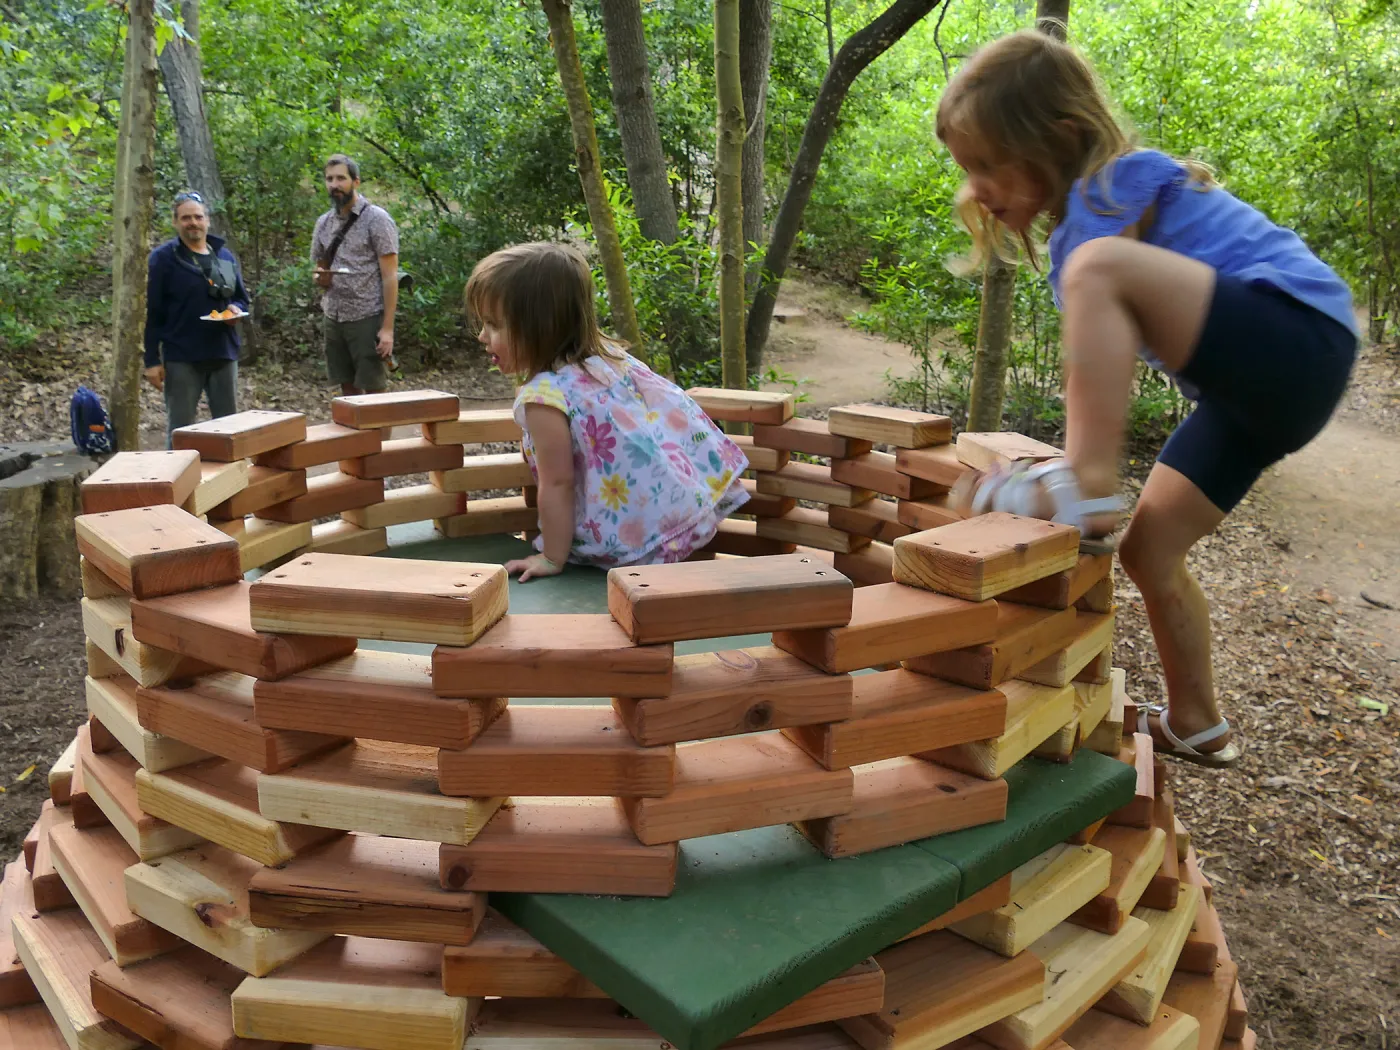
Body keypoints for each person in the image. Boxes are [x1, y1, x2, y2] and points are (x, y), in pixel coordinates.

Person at [936, 31, 1357, 768]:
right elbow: (1100, 340)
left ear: (1056, 139)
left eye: (985, 166)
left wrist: (1073, 477)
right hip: (1255, 394)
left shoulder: (1116, 184)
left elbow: (1103, 314)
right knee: (1149, 552)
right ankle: (1198, 722)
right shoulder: (1090, 226)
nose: (975, 190)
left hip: (1300, 335)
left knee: (1097, 269)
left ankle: (1089, 485)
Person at [464, 241, 750, 580]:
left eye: (494, 324)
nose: (482, 335)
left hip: (631, 546)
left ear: (538, 326)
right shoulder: (609, 361)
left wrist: (552, 557)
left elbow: (558, 483)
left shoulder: (544, 397)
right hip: (681, 513)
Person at [143, 190, 249, 447]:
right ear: (176, 222)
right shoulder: (164, 258)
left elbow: (241, 298)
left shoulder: (223, 256)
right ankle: (176, 485)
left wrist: (235, 310)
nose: (193, 223)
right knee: (180, 431)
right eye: (186, 218)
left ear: (207, 220)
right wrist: (151, 360)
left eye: (198, 217)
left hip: (222, 353)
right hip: (182, 356)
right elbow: (154, 311)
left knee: (228, 429)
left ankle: (228, 484)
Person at [310, 154, 400, 395]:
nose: (334, 185)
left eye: (341, 178)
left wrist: (387, 329)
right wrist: (320, 278)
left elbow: (391, 277)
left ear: (356, 182)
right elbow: (320, 269)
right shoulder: (323, 223)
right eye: (329, 179)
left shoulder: (377, 220)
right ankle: (356, 434)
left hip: (367, 316)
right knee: (347, 391)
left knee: (374, 392)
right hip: (334, 316)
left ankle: (378, 435)